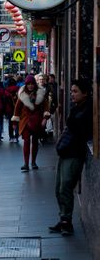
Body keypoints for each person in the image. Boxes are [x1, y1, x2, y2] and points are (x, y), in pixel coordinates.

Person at [49, 79, 93, 236]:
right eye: (71, 91)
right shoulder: (77, 108)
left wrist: (72, 120)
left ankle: (66, 222)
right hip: (65, 151)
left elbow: (80, 130)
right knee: (58, 188)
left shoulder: (88, 110)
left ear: (85, 93)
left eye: (75, 91)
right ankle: (63, 219)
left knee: (66, 186)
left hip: (74, 153)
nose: (72, 94)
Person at [11, 75, 51, 171]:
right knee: (26, 142)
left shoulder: (40, 94)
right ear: (26, 85)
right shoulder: (22, 95)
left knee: (35, 142)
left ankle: (33, 162)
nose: (30, 86)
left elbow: (46, 107)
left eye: (32, 84)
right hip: (25, 122)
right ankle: (26, 163)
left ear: (35, 84)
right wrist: (14, 123)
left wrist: (45, 118)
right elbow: (17, 110)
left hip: (37, 122)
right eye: (28, 84)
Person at [4, 77, 20, 143]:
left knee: (10, 123)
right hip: (17, 108)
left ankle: (11, 137)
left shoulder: (6, 91)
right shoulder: (18, 89)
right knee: (17, 122)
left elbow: (4, 101)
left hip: (9, 109)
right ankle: (16, 136)